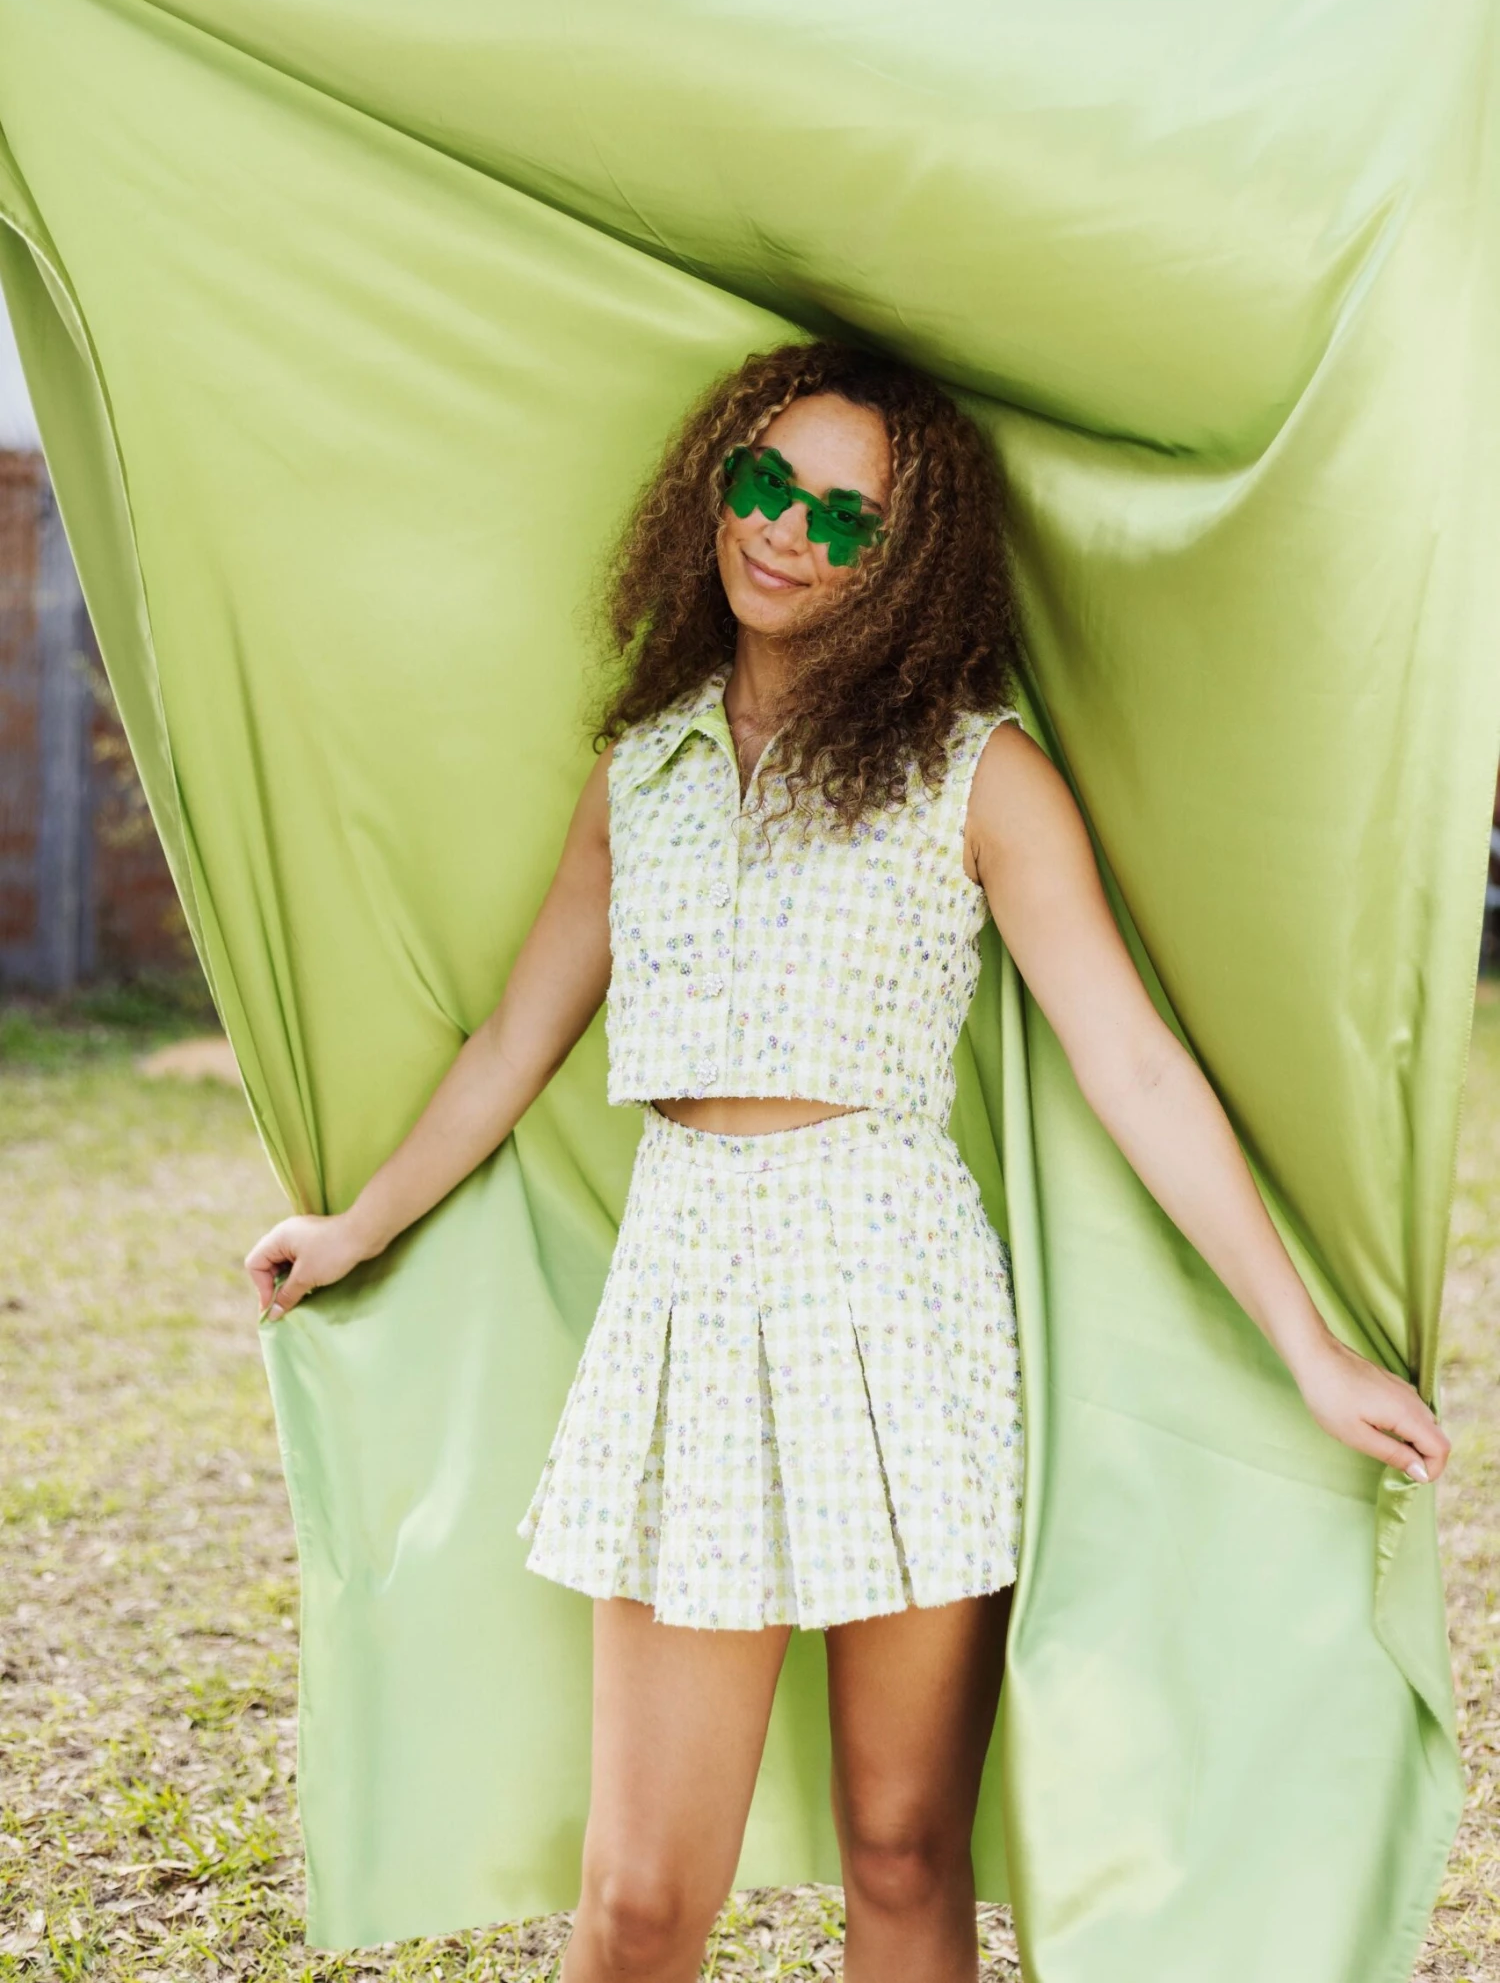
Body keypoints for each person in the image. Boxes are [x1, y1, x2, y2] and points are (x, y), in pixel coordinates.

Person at [245, 339, 1449, 1983]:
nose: (784, 532)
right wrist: (358, 1221)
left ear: (908, 559)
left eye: (842, 515)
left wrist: (1306, 1346)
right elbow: (513, 1044)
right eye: (763, 483)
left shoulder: (979, 771)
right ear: (711, 485)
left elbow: (1134, 1059)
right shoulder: (643, 770)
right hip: (684, 1300)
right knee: (645, 1898)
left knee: (902, 1850)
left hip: (902, 1312)